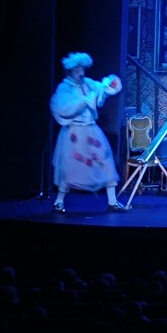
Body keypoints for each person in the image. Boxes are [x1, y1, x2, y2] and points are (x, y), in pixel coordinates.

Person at [49, 51, 127, 213]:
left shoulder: (88, 83)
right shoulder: (65, 88)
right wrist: (85, 100)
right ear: (70, 71)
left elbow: (101, 89)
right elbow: (64, 108)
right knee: (70, 167)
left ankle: (112, 201)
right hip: (74, 132)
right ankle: (59, 201)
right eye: (78, 70)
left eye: (82, 69)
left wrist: (109, 85)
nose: (81, 72)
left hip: (91, 130)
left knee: (105, 161)